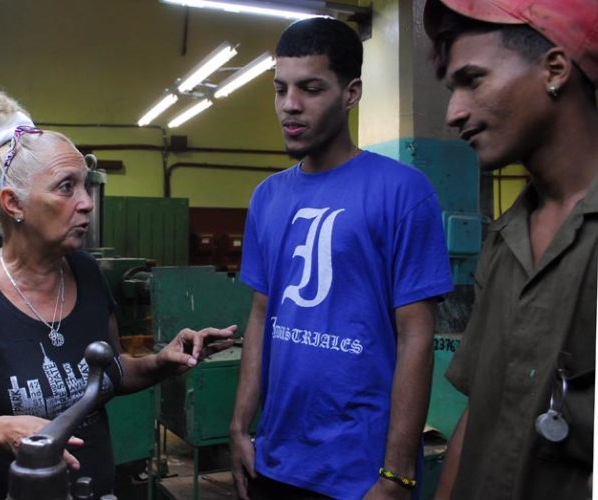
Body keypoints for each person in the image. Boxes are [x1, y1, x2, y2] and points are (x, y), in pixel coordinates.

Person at [0, 88, 236, 499]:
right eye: (66, 187)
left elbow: (110, 371)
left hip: (89, 488)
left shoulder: (87, 273)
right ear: (14, 203)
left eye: (85, 186)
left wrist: (160, 363)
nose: (86, 203)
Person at [229, 17, 454, 500]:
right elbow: (261, 315)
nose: (290, 105)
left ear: (351, 93)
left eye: (310, 89)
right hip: (276, 461)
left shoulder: (403, 192)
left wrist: (396, 475)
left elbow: (416, 336)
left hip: (361, 474)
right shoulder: (267, 197)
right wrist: (239, 426)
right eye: (281, 89)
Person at [422, 1, 598, 498]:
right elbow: (479, 411)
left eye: (472, 80)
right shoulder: (505, 241)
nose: (453, 113)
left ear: (555, 70)